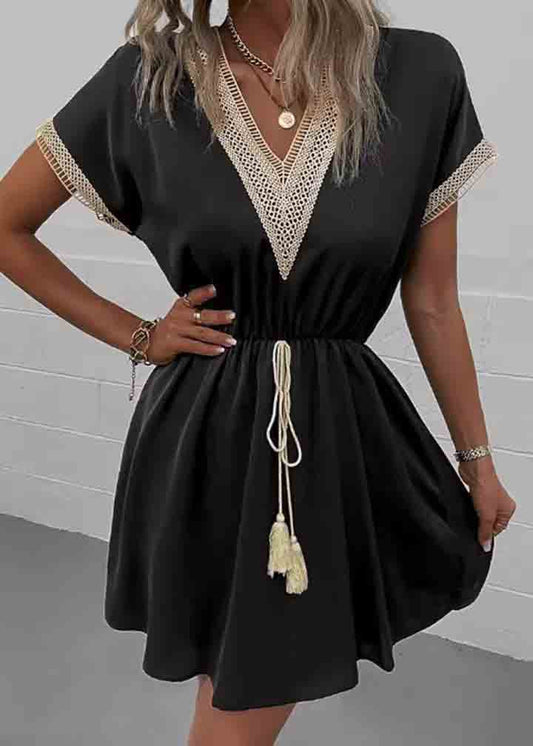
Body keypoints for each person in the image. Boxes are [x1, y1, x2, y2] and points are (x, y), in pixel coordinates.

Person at [0, 1, 517, 744]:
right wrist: (138, 335)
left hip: (334, 438)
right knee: (236, 700)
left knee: (240, 694)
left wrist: (477, 460)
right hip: (206, 437)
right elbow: (6, 225)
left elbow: (432, 298)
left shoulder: (418, 73)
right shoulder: (152, 79)